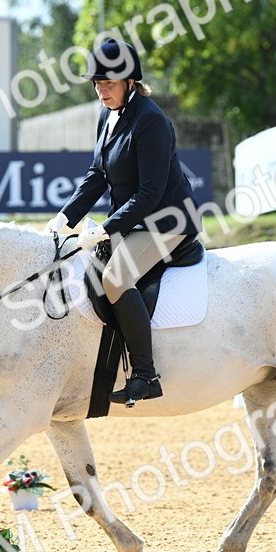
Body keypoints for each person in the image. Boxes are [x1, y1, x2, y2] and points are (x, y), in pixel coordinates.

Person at [43, 39, 202, 405]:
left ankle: (146, 376)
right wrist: (64, 219)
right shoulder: (108, 115)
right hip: (134, 220)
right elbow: (97, 174)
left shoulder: (151, 122)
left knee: (116, 277)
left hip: (167, 220)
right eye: (97, 84)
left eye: (109, 84)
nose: (102, 91)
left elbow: (149, 193)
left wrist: (106, 228)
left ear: (131, 82)